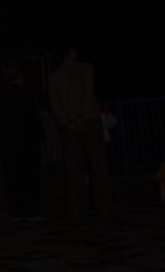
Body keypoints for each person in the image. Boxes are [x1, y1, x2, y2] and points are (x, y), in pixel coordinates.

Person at [48, 45, 112, 224]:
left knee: (74, 171)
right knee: (98, 167)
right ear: (72, 53)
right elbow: (88, 93)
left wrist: (68, 121)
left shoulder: (54, 78)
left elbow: (55, 105)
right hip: (90, 122)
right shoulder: (86, 68)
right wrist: (82, 117)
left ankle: (76, 212)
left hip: (69, 128)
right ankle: (104, 210)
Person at [0, 66, 45, 221]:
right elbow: (34, 119)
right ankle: (32, 211)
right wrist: (41, 138)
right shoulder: (24, 94)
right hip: (27, 142)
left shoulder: (0, 97)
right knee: (31, 177)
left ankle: (15, 211)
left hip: (8, 143)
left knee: (12, 178)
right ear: (19, 77)